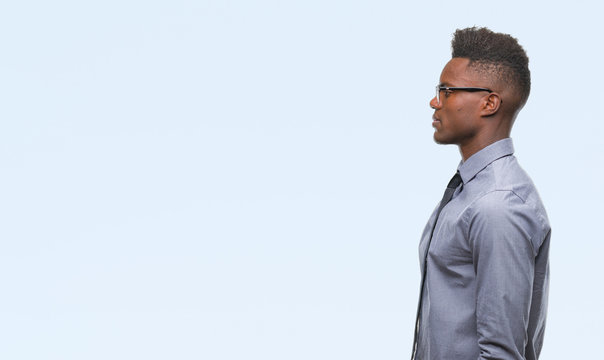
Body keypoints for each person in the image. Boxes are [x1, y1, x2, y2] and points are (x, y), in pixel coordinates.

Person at [411, 27, 551, 360]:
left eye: (447, 91)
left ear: (489, 103)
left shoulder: (497, 205)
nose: (435, 101)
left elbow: (501, 354)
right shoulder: (471, 191)